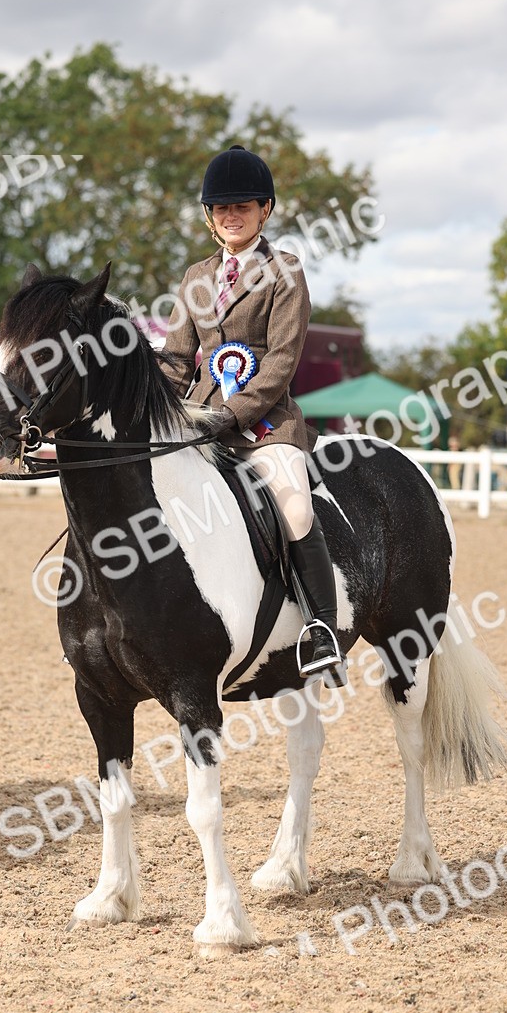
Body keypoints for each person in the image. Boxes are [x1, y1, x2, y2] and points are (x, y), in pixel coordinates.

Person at [161, 144, 347, 684]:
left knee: (295, 508)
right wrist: (166, 410)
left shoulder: (284, 271)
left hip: (267, 427)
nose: (231, 215)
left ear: (265, 209)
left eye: (242, 205)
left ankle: (320, 628)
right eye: (221, 208)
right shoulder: (196, 276)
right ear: (208, 216)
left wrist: (232, 416)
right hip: (198, 423)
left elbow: (282, 362)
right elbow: (175, 359)